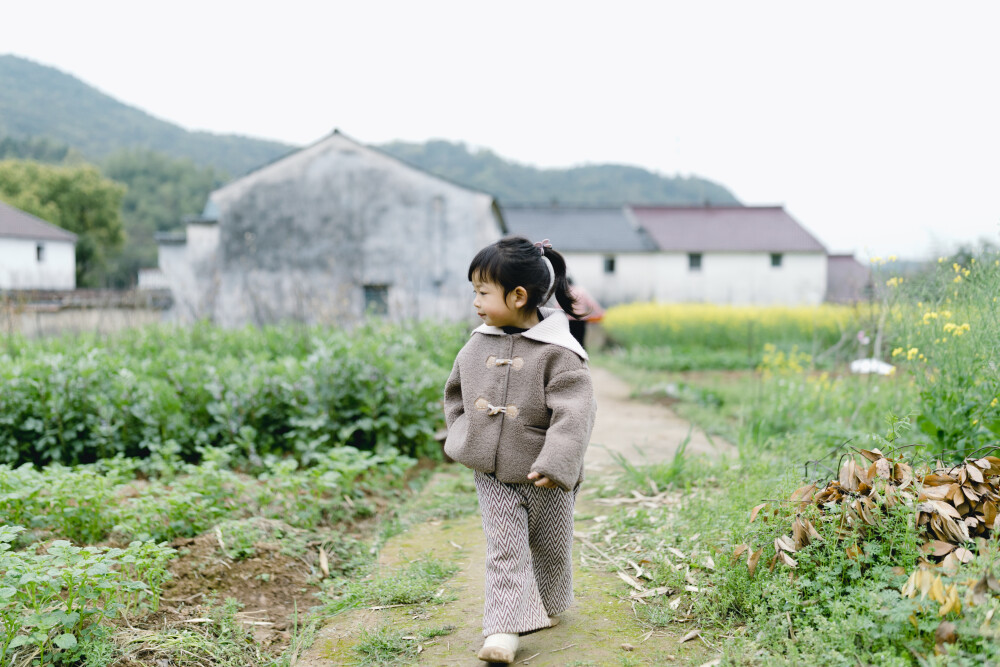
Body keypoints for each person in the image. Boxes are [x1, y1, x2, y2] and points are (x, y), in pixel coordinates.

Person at [443, 236, 597, 664]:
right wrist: (463, 437)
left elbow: (575, 413)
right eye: (474, 291)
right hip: (492, 473)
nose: (475, 301)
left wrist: (558, 462)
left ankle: (546, 604)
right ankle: (504, 629)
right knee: (505, 546)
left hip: (543, 473)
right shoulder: (477, 345)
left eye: (482, 291)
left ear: (518, 296)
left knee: (549, 544)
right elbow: (454, 396)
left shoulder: (559, 354)